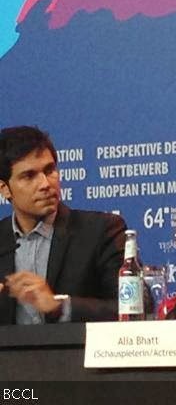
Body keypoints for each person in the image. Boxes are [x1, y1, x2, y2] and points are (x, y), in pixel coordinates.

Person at [0, 126, 126, 324]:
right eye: (29, 176)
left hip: (77, 354)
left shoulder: (100, 231)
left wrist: (59, 306)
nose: (45, 184)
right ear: (4, 189)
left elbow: (135, 307)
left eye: (49, 170)